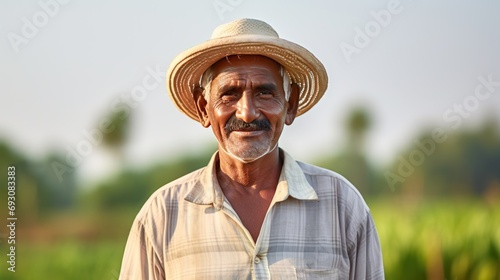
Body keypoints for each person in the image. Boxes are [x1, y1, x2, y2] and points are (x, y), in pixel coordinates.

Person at [119, 18, 384, 279]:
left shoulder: (342, 206)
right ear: (204, 109)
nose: (247, 113)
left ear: (290, 105)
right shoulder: (162, 215)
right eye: (229, 94)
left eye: (264, 93)